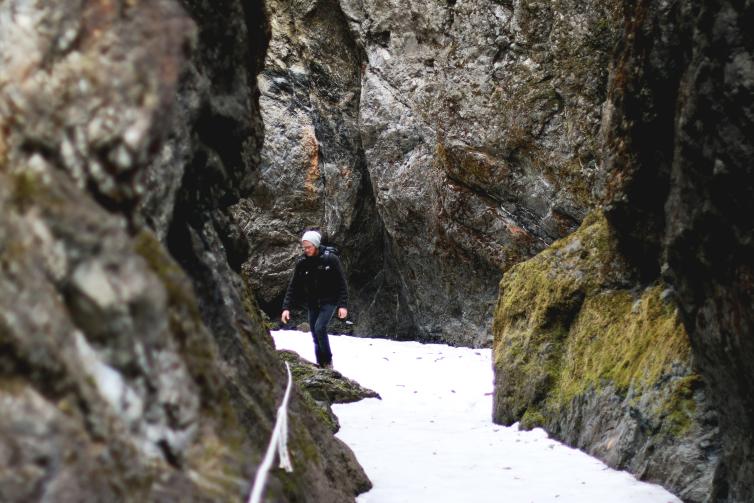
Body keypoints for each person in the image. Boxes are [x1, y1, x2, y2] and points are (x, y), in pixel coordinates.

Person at [281, 230, 348, 369]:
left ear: (316, 245)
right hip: (312, 302)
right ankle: (320, 363)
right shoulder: (303, 263)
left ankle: (328, 362)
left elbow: (342, 283)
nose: (306, 250)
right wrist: (286, 308)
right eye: (304, 248)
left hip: (329, 300)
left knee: (319, 328)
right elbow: (293, 286)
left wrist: (343, 305)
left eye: (308, 247)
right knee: (314, 333)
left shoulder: (330, 259)